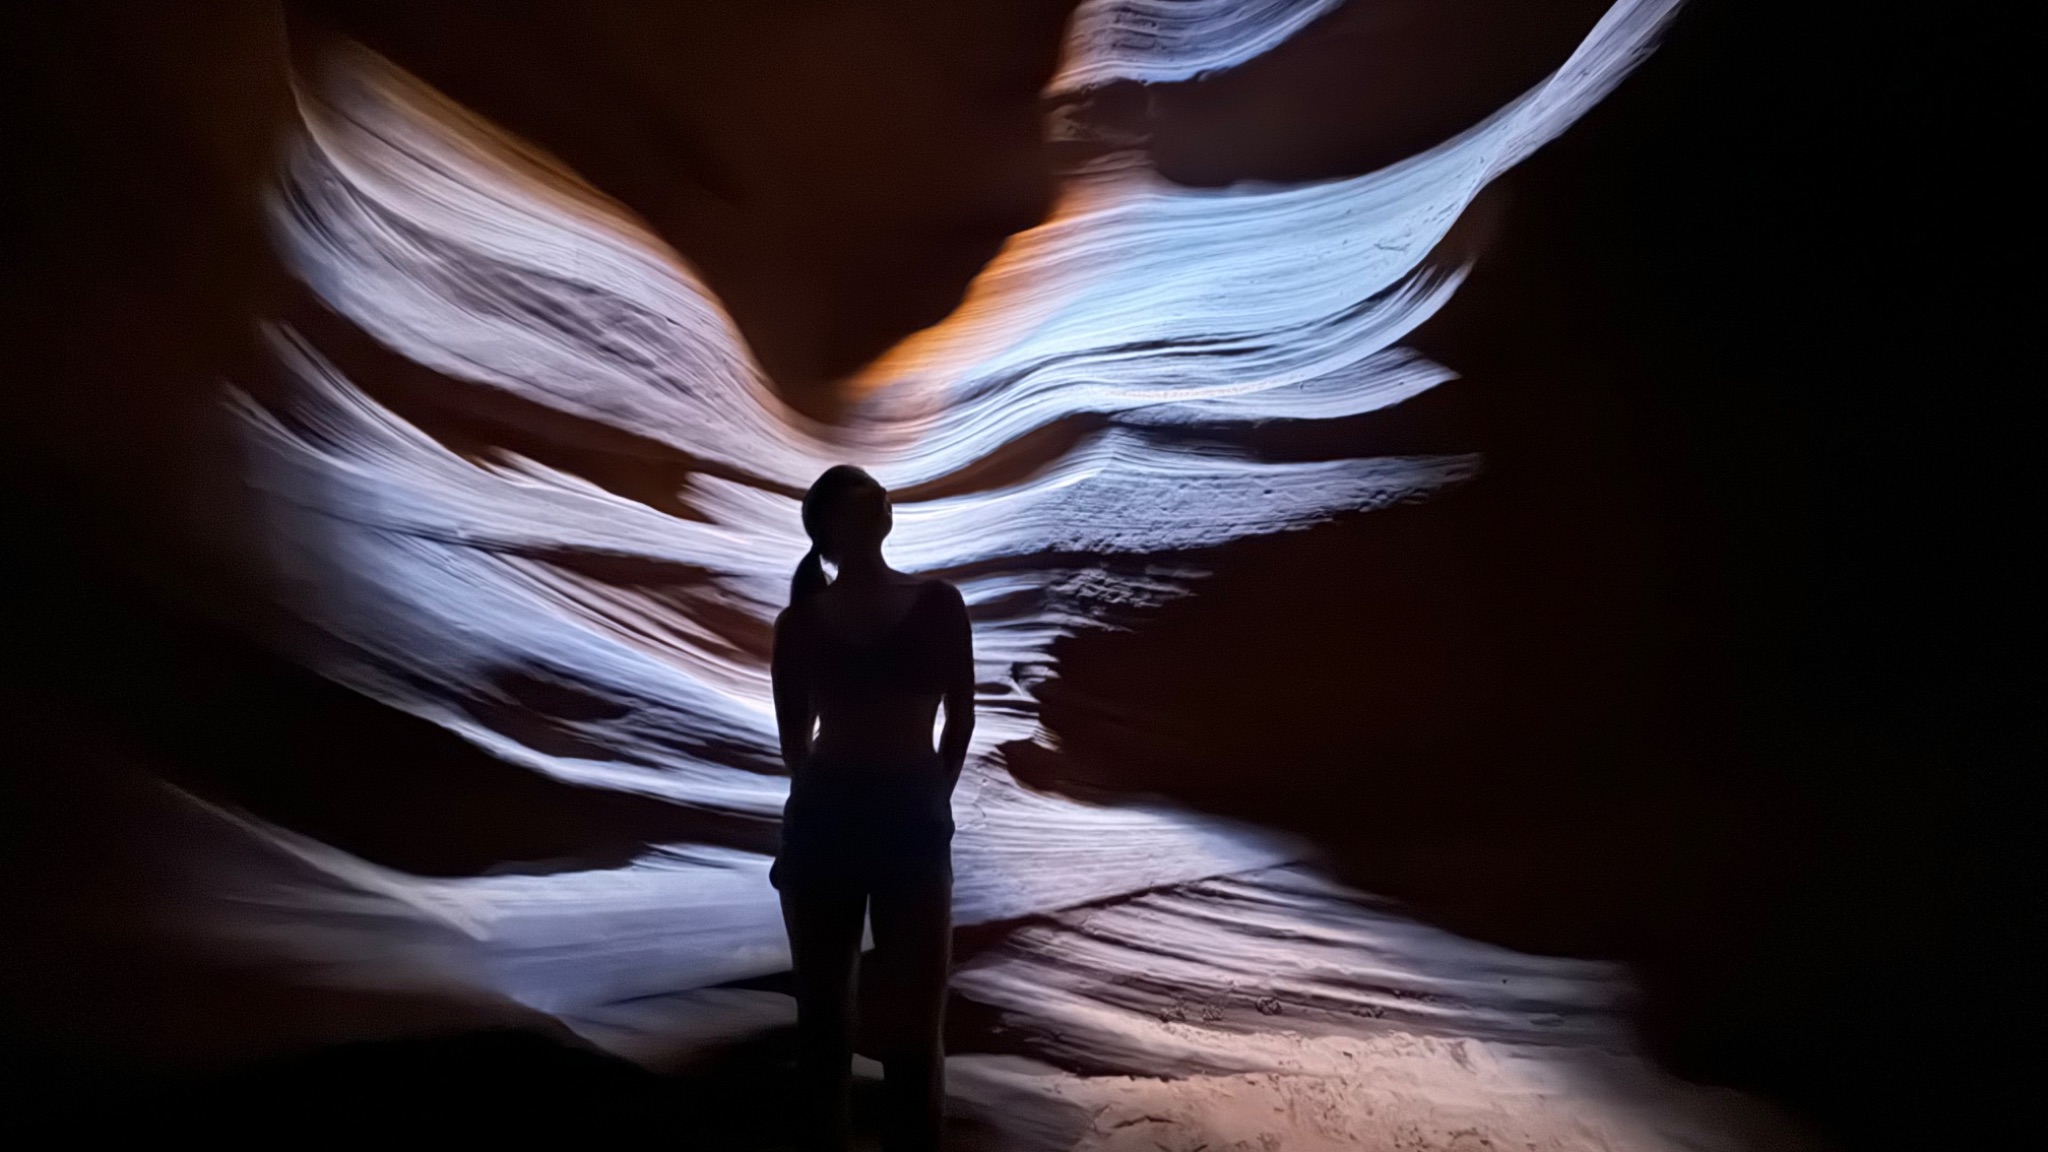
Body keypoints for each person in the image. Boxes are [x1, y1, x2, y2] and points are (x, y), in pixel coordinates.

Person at [770, 464, 975, 1152]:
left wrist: (915, 798)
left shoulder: (938, 602)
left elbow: (964, 721)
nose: (881, 493)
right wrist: (918, 794)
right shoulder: (800, 622)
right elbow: (794, 740)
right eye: (863, 487)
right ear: (829, 524)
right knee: (834, 1030)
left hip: (869, 816)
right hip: (868, 816)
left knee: (900, 1032)